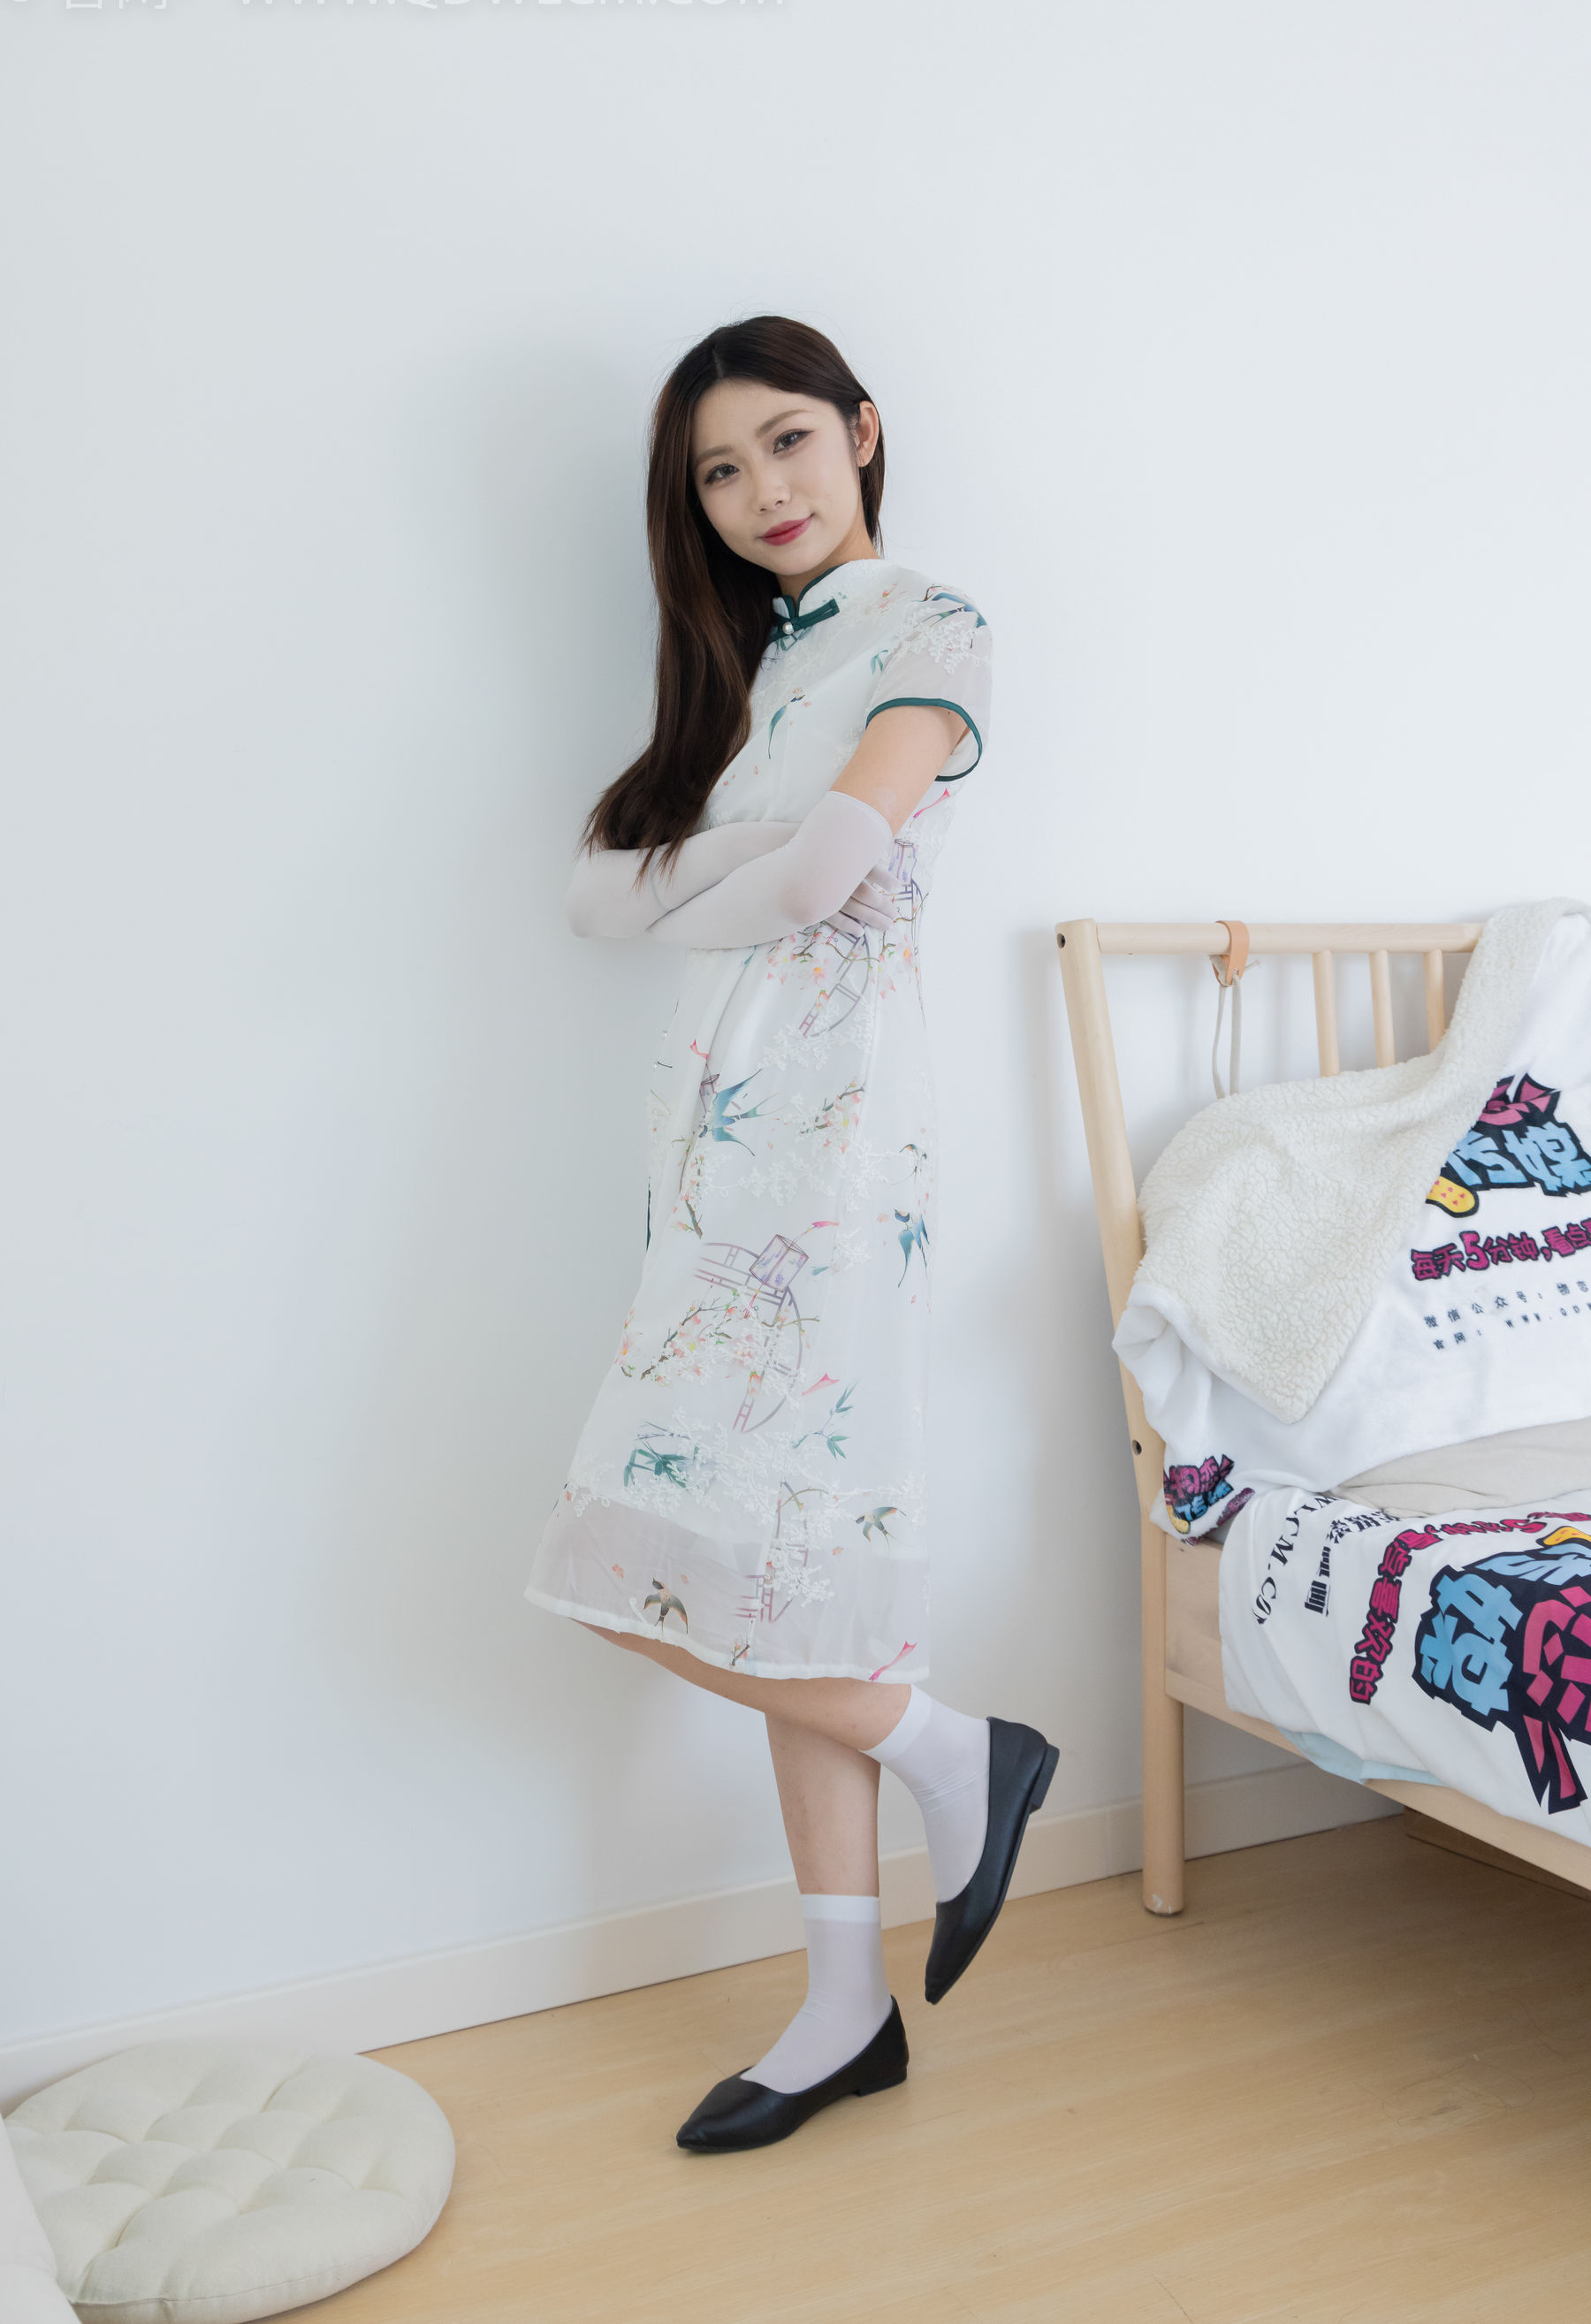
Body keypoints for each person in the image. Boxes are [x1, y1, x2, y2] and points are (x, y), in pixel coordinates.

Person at [526, 315, 1057, 2152]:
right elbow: (590, 897)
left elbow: (830, 873)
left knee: (647, 1564)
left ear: (863, 432)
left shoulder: (932, 627)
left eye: (787, 442)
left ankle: (955, 1751)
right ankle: (852, 1995)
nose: (760, 489)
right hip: (712, 1153)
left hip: (830, 1153)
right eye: (719, 471)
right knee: (770, 1558)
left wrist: (733, 880)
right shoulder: (754, 670)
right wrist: (748, 877)